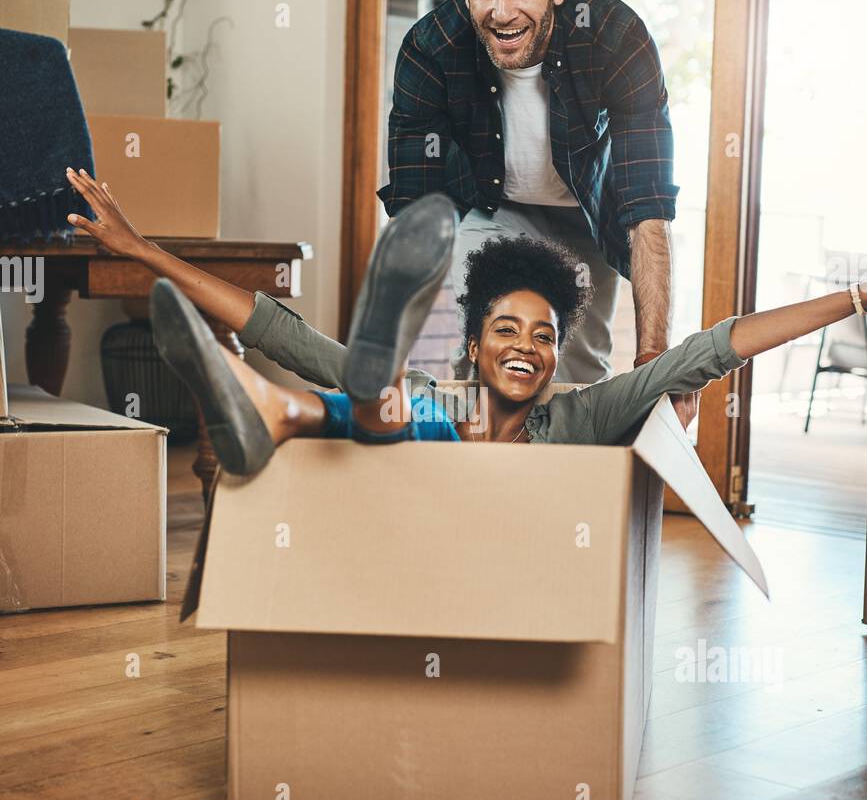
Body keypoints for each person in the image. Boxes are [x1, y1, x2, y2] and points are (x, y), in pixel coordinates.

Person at [66, 170, 867, 475]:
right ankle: (289, 400)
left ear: (557, 358)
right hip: (407, 488)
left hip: (494, 554)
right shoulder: (439, 392)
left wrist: (854, 302)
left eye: (545, 335)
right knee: (394, 397)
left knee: (383, 394)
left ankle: (276, 408)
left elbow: (711, 349)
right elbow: (281, 333)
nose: (526, 347)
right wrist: (141, 251)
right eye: (508, 330)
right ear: (476, 341)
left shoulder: (582, 416)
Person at [377, 0, 694, 424]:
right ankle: (479, 493)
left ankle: (565, 500)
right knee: (488, 354)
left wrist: (654, 363)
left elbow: (647, 209)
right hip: (489, 204)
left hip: (586, 214)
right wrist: (389, 358)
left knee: (576, 374)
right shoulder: (430, 49)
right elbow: (416, 217)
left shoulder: (616, 38)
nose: (503, 12)